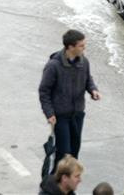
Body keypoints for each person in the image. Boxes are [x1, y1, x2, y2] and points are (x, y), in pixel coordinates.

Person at [39, 29, 101, 171]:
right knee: (63, 155)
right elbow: (44, 91)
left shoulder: (84, 62)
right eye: (81, 46)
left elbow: (88, 79)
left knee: (74, 152)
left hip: (77, 115)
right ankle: (54, 186)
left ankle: (69, 187)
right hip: (60, 116)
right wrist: (49, 113)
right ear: (70, 47)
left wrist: (93, 90)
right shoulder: (53, 66)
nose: (84, 48)